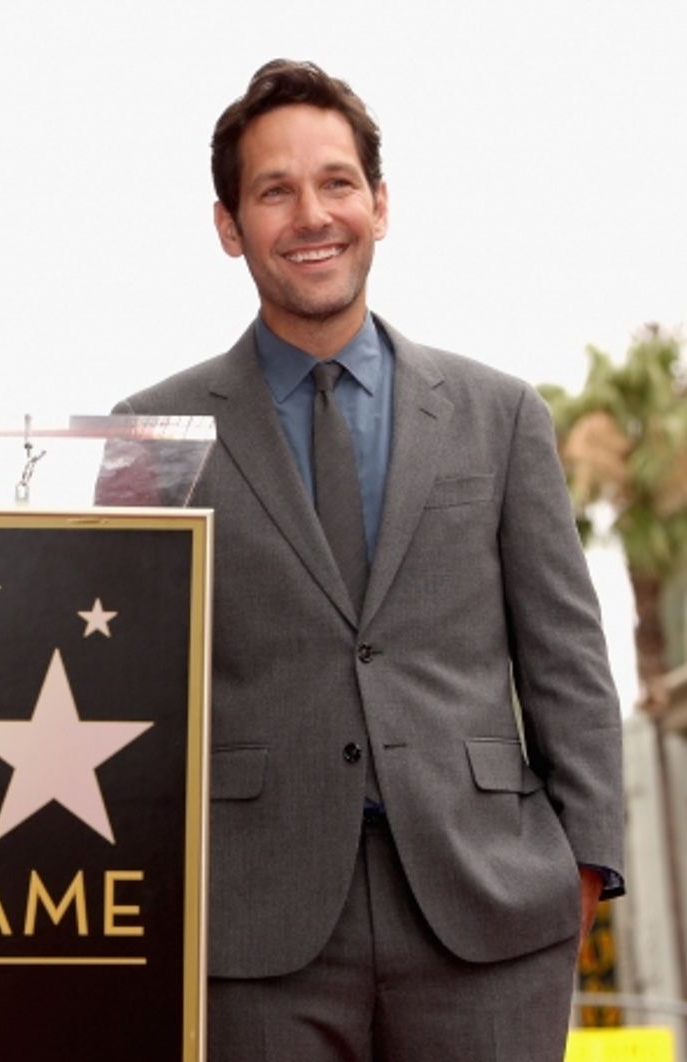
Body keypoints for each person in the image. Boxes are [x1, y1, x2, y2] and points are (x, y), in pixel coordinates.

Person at [111, 59, 623, 1060]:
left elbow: (565, 655)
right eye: (274, 190)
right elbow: (125, 690)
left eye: (336, 182)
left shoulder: (498, 414)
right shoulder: (152, 436)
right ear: (228, 225)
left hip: (490, 915)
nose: (311, 214)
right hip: (248, 930)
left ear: (378, 204)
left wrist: (585, 863)